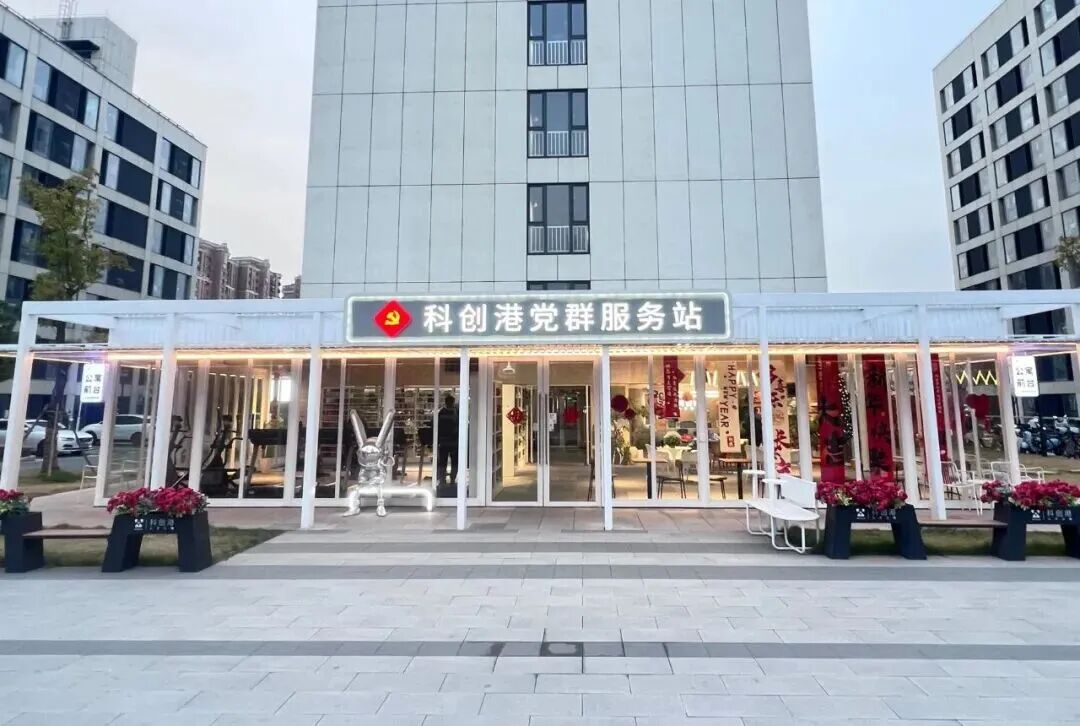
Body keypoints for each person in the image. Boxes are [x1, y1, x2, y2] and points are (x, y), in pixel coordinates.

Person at [436, 394, 459, 494]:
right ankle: (452, 479)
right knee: (454, 462)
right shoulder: (456, 412)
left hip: (444, 441)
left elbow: (437, 426)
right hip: (453, 442)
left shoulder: (441, 412)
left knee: (443, 462)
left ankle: (442, 480)